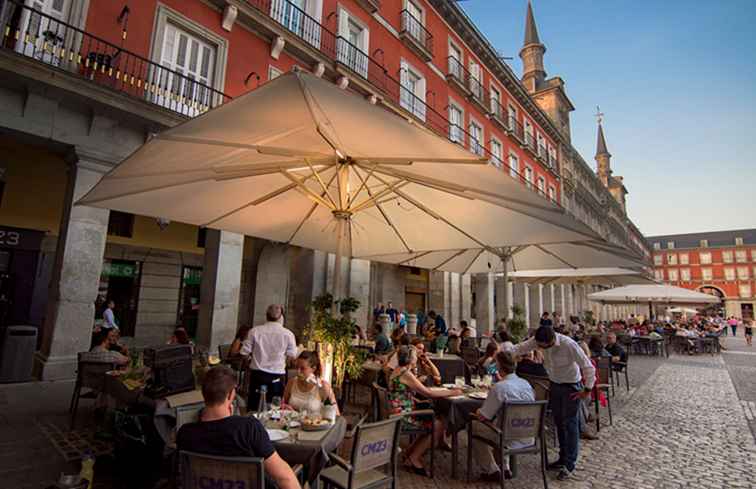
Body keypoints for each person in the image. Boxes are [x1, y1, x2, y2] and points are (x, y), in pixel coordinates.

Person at [177, 366, 301, 489]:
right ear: (231, 394)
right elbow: (284, 478)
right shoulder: (248, 429)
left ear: (203, 394)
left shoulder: (185, 433)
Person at [513, 326, 595, 481]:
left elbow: (588, 366)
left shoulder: (569, 344)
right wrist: (503, 352)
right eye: (540, 346)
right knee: (559, 422)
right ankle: (562, 458)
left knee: (570, 424)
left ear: (552, 341)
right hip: (555, 384)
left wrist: (587, 389)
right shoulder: (538, 341)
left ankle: (569, 465)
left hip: (571, 386)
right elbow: (520, 348)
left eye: (545, 346)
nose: (542, 349)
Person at [388, 346, 462, 476]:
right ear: (410, 359)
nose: (416, 358)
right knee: (439, 425)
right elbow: (428, 393)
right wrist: (453, 392)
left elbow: (401, 395)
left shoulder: (398, 370)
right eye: (415, 356)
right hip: (404, 416)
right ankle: (414, 458)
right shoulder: (406, 374)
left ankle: (409, 453)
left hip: (399, 412)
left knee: (435, 419)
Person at [470, 351, 535, 481]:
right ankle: (504, 467)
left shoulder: (499, 388)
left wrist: (476, 412)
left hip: (506, 437)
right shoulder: (526, 384)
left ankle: (491, 470)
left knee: (473, 426)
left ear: (498, 366)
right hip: (528, 435)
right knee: (503, 424)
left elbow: (484, 417)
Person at [241, 304, 298, 410]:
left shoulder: (254, 331)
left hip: (257, 375)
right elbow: (291, 356)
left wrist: (251, 361)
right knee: (275, 409)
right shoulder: (288, 334)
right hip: (277, 376)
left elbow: (244, 353)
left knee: (254, 407)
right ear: (281, 317)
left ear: (266, 316)